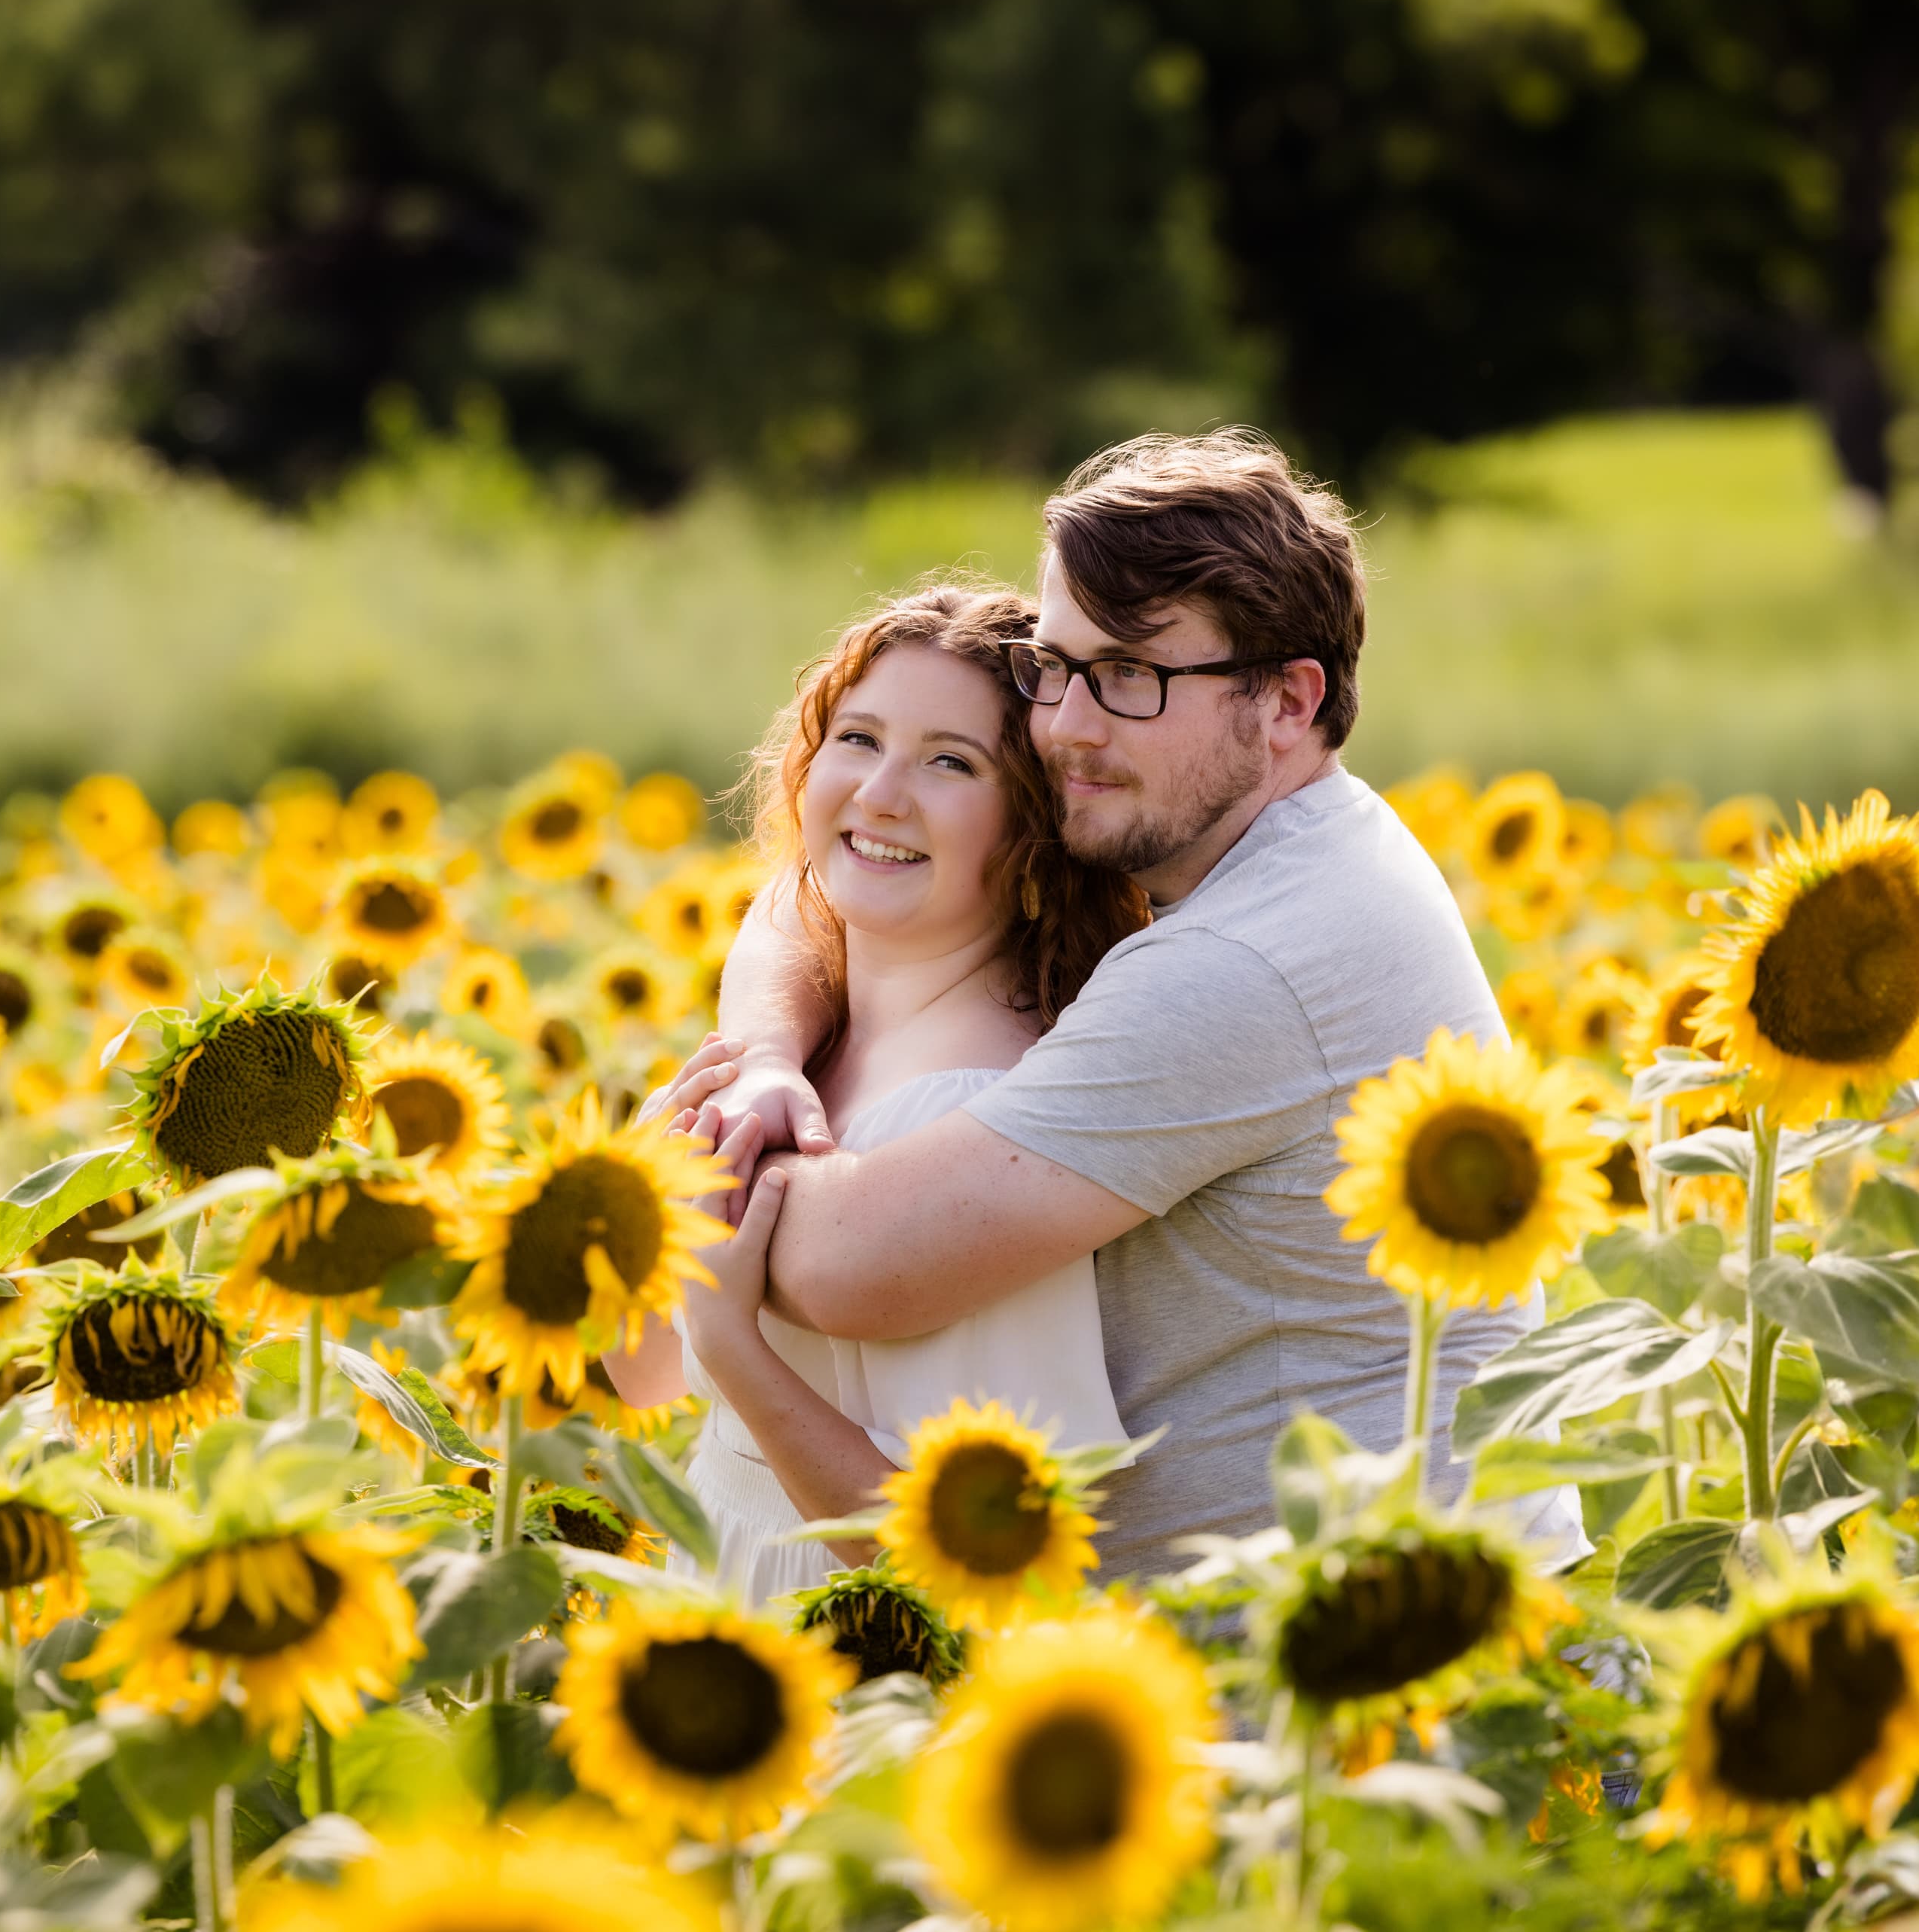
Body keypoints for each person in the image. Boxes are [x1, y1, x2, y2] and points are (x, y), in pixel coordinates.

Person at [660, 430, 1586, 1580]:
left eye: (1134, 676)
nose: (1069, 726)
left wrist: (673, 1196)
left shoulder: (1244, 960)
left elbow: (850, 1265)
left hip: (1410, 1699)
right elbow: (813, 901)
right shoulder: (1271, 844)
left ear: (1289, 700)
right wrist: (760, 1057)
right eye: (1058, 664)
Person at [605, 585, 1147, 1604]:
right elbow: (640, 1378)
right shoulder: (801, 1055)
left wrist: (736, 1347)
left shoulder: (971, 1119)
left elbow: (983, 1579)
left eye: (952, 761)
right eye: (858, 739)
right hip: (716, 1595)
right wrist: (641, 1190)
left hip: (853, 1675)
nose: (882, 794)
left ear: (1032, 827)